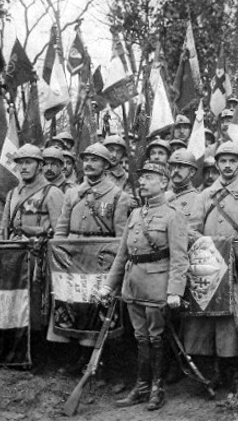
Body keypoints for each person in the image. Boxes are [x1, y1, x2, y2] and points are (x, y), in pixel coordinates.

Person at [98, 162, 189, 411]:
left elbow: (180, 258)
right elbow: (122, 255)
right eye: (142, 178)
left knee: (156, 338)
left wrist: (174, 291)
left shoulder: (173, 215)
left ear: (164, 182)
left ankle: (157, 388)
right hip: (133, 286)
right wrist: (109, 285)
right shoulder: (136, 214)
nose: (142, 182)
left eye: (149, 178)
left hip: (158, 287)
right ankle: (140, 387)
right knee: (140, 338)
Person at [185, 142, 238, 390]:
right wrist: (208, 246)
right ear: (217, 164)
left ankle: (234, 373)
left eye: (233, 161)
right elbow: (191, 228)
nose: (228, 165)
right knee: (205, 318)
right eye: (223, 161)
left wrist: (229, 248)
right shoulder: (204, 195)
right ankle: (210, 372)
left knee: (233, 320)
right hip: (209, 265)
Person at [52, 143, 131, 369]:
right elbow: (61, 228)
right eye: (86, 159)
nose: (88, 164)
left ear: (106, 165)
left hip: (101, 261)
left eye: (95, 160)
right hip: (72, 258)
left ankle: (101, 360)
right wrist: (59, 251)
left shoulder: (118, 196)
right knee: (74, 304)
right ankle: (76, 357)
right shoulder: (72, 193)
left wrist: (113, 265)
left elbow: (120, 237)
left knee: (99, 308)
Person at [0, 144, 64, 240]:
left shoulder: (52, 193)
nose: (23, 167)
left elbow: (59, 233)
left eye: (28, 162)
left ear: (40, 165)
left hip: (40, 250)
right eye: (20, 163)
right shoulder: (13, 193)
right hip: (14, 250)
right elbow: (4, 229)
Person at [166, 149, 199, 219]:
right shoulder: (163, 197)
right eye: (173, 167)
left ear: (192, 172)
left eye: (181, 167)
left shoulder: (199, 200)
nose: (175, 171)